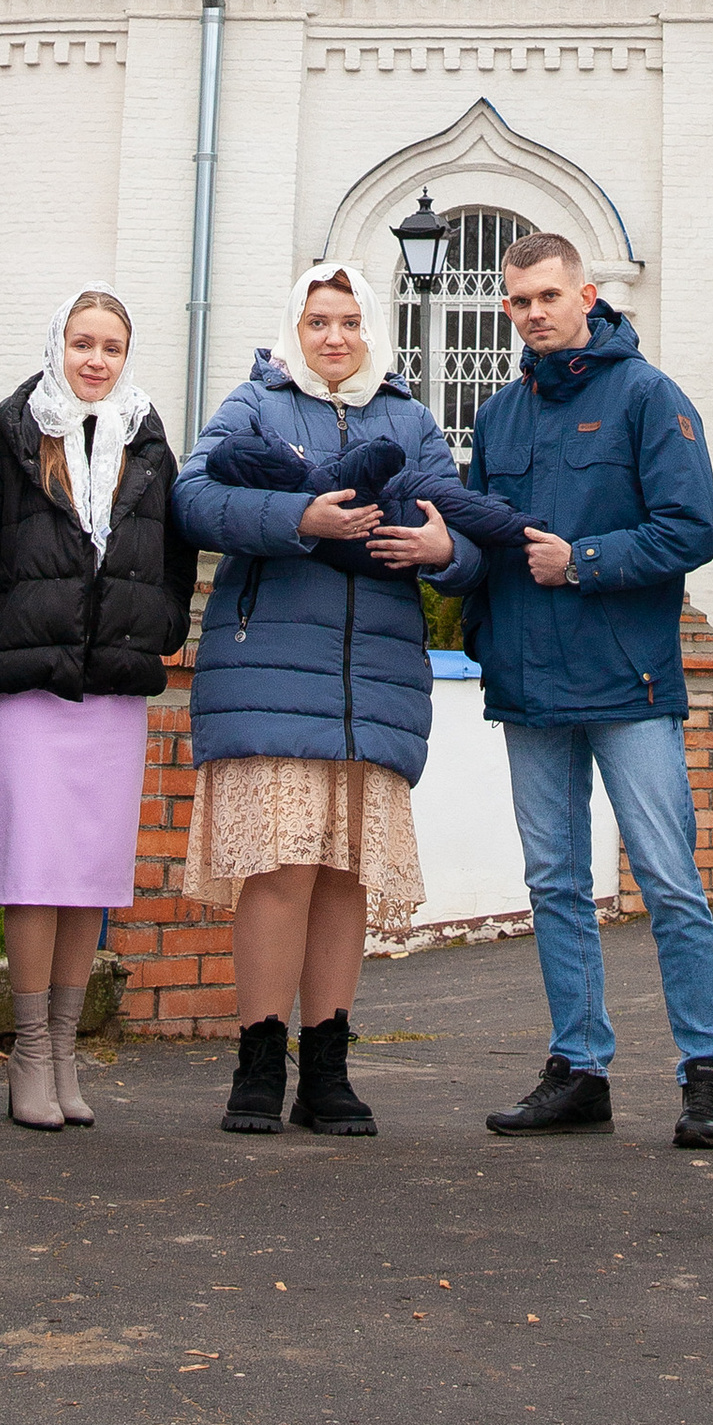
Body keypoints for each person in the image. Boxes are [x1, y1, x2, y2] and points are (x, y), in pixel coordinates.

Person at [174, 264, 481, 1138]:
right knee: (279, 872)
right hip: (270, 672)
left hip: (374, 683)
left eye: (349, 321)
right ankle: (258, 1062)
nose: (335, 337)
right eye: (318, 321)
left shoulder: (409, 419)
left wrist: (443, 553)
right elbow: (193, 498)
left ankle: (328, 1071)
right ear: (295, 328)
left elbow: (461, 531)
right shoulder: (255, 404)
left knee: (346, 876)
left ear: (370, 327)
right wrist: (298, 520)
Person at [459, 231, 713, 1151]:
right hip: (530, 687)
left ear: (586, 295)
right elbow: (483, 542)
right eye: (518, 300)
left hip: (628, 682)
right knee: (555, 884)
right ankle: (579, 1069)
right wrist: (451, 576)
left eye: (548, 295)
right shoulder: (500, 416)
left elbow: (692, 529)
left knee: (668, 880)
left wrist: (581, 561)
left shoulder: (648, 397)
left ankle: (706, 1071)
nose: (533, 312)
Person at [0, 283, 194, 1129]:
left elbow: (173, 562)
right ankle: (28, 1051)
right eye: (82, 344)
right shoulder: (9, 439)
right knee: (35, 871)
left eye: (111, 347)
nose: (96, 360)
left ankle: (65, 1048)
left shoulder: (149, 443)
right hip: (30, 685)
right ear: (59, 345)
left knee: (89, 870)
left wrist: (157, 627)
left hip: (112, 692)